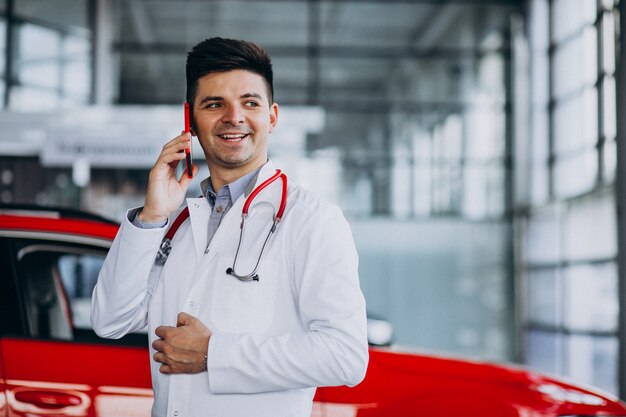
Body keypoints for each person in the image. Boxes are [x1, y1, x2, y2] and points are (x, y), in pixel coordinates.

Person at [91, 37, 368, 417]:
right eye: (214, 103)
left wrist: (213, 354)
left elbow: (345, 357)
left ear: (271, 116)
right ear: (190, 118)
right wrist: (152, 216)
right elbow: (110, 320)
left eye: (249, 103)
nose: (233, 116)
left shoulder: (312, 220)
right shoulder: (175, 223)